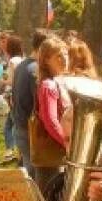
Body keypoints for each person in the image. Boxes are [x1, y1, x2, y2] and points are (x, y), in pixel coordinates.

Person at [31, 37, 70, 191]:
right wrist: (68, 144)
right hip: (51, 157)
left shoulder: (58, 81)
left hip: (58, 154)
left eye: (66, 54)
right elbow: (51, 121)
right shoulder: (49, 85)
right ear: (46, 60)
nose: (65, 59)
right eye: (59, 56)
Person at [11, 31, 47, 177]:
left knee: (29, 171)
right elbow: (39, 104)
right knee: (35, 177)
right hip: (30, 131)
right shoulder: (35, 70)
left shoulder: (21, 66)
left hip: (20, 126)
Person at [1, 35, 24, 163]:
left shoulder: (13, 61)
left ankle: (16, 153)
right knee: (11, 124)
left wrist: (4, 81)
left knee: (13, 125)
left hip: (13, 96)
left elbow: (15, 80)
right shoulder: (20, 59)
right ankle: (14, 151)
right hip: (16, 96)